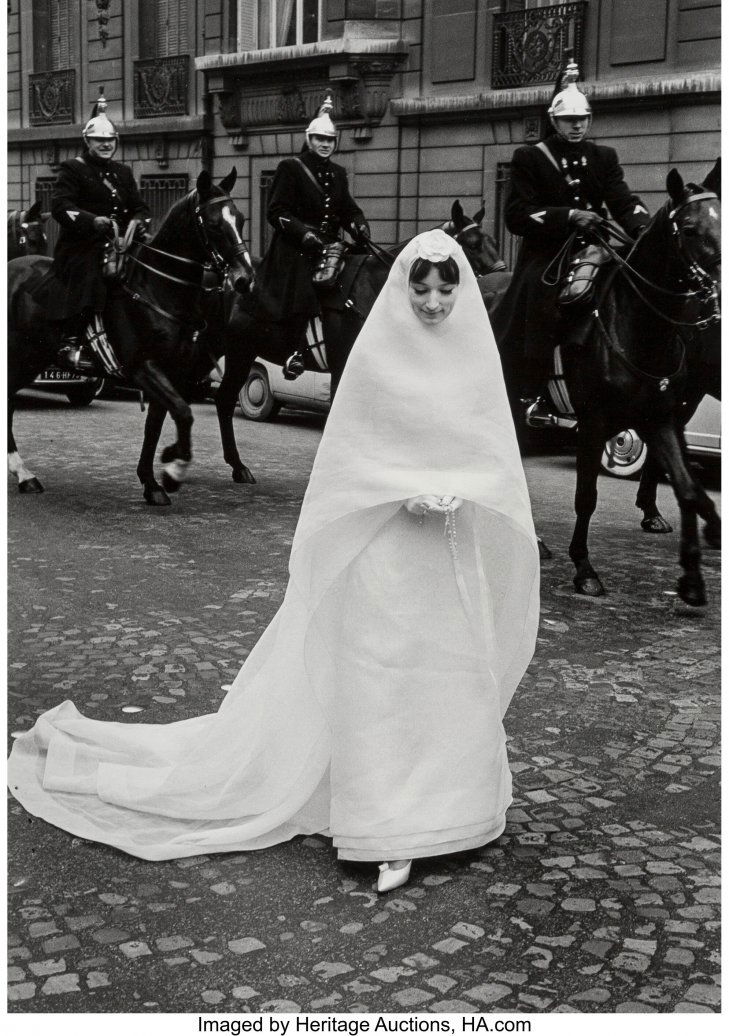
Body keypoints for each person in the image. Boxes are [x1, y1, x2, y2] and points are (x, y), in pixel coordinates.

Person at [8, 230, 539, 894]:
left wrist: (463, 492)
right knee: (383, 674)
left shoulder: (472, 358)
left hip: (450, 549)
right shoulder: (377, 357)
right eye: (421, 289)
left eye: (444, 290)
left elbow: (490, 452)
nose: (433, 303)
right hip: (387, 546)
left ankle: (450, 811)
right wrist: (400, 494)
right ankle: (384, 826)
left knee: (446, 672)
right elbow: (353, 455)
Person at [502, 55, 650, 416]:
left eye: (582, 119)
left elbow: (622, 200)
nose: (577, 126)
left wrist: (643, 229)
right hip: (548, 253)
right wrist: (568, 216)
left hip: (594, 248)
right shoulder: (530, 157)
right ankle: (532, 392)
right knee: (542, 302)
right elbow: (516, 215)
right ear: (554, 120)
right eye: (569, 120)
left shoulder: (603, 156)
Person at [256, 94, 371, 381]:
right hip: (296, 248)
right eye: (319, 138)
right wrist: (303, 234)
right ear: (309, 139)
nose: (324, 144)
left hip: (329, 248)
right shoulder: (291, 168)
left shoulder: (338, 173)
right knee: (307, 289)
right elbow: (277, 211)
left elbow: (348, 210)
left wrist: (359, 225)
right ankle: (295, 351)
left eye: (329, 140)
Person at [43, 90, 150, 371]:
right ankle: (72, 341)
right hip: (82, 246)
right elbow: (60, 206)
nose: (105, 145)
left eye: (109, 141)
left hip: (119, 245)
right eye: (99, 141)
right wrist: (92, 221)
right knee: (92, 275)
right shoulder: (73, 169)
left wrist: (139, 222)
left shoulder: (123, 173)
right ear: (87, 141)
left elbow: (140, 207)